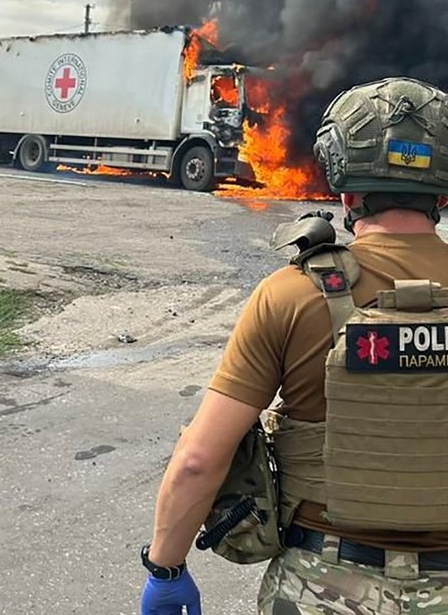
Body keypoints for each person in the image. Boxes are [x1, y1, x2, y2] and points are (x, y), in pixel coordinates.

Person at [139, 77, 448, 615]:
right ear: (442, 192)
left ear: (345, 189)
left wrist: (166, 571)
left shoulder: (292, 295)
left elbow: (199, 460)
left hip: (320, 587)